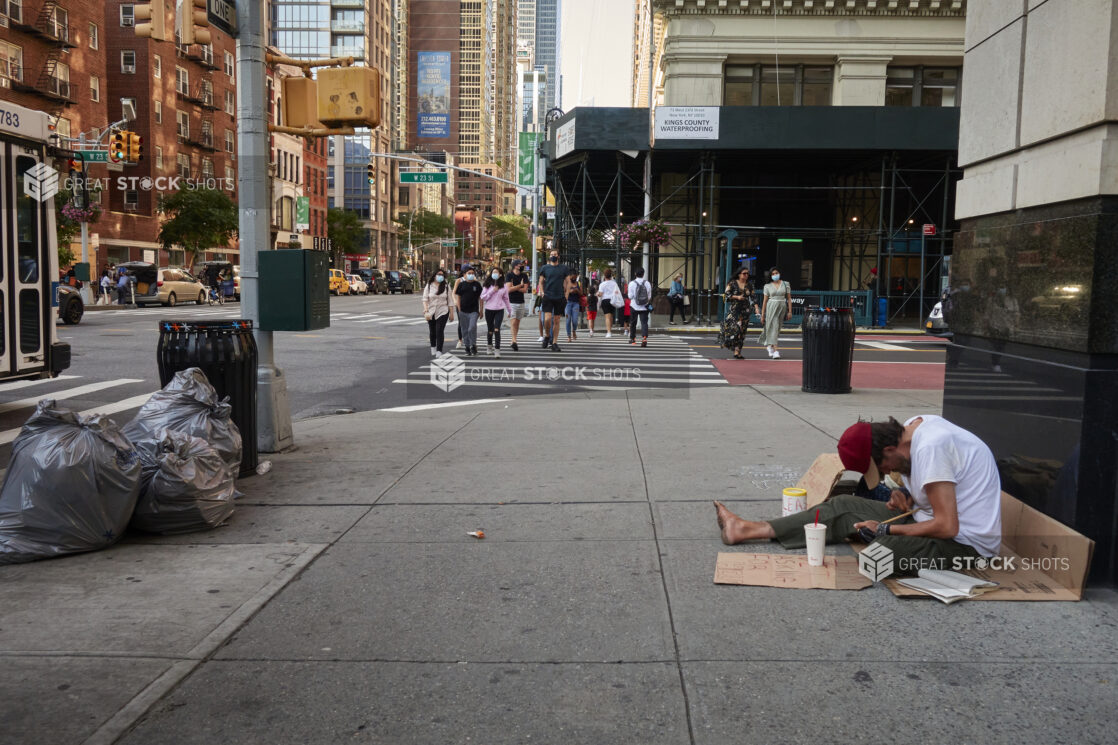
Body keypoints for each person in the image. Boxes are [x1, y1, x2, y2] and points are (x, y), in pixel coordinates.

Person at [713, 416, 1002, 575]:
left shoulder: (932, 447)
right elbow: (937, 491)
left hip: (966, 547)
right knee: (841, 505)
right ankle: (749, 529)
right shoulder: (910, 433)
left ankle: (881, 538)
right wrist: (905, 496)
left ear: (889, 450)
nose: (887, 474)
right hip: (931, 524)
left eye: (883, 468)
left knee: (878, 555)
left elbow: (948, 526)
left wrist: (887, 528)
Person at [536, 249, 571, 352]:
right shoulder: (545, 268)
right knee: (546, 319)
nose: (553, 256)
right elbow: (541, 282)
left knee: (556, 320)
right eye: (551, 254)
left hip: (560, 297)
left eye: (555, 254)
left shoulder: (564, 268)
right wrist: (541, 291)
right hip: (548, 296)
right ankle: (547, 335)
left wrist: (567, 295)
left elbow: (568, 282)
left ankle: (554, 342)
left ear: (558, 256)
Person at [720, 268, 757, 359]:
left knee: (742, 331)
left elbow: (753, 297)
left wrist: (756, 308)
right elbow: (726, 295)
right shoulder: (732, 283)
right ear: (739, 274)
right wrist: (737, 297)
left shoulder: (749, 285)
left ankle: (737, 351)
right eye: (744, 273)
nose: (746, 275)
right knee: (735, 329)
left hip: (745, 311)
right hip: (734, 310)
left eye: (747, 274)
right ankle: (728, 342)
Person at [759, 266, 791, 358]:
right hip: (771, 307)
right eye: (773, 274)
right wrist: (762, 315)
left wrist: (790, 311)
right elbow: (764, 301)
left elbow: (789, 298)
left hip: (782, 307)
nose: (775, 275)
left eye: (776, 273)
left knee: (776, 329)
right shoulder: (767, 286)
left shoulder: (786, 284)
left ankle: (770, 345)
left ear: (779, 273)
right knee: (774, 326)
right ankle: (776, 351)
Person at [482, 266, 512, 357]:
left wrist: (509, 310)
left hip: (499, 310)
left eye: (496, 273)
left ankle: (497, 349)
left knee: (497, 329)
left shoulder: (504, 286)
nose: (494, 274)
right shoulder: (487, 285)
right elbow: (483, 297)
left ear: (500, 275)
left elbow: (506, 299)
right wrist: (492, 291)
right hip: (489, 310)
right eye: (493, 272)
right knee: (490, 330)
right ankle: (489, 346)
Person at [422, 270, 453, 356]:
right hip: (431, 311)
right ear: (434, 275)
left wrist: (451, 313)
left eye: (442, 275)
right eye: (439, 274)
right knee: (432, 331)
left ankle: (439, 350)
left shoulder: (446, 286)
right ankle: (433, 346)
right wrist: (426, 309)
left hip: (443, 311)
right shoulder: (429, 286)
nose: (441, 276)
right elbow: (425, 299)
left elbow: (450, 301)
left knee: (439, 330)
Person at [454, 267, 483, 356]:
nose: (471, 275)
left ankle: (473, 344)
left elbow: (481, 298)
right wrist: (459, 309)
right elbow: (458, 297)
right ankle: (467, 346)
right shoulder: (461, 284)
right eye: (469, 273)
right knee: (464, 330)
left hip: (474, 311)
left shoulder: (477, 284)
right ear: (464, 274)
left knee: (472, 328)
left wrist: (481, 310)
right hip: (463, 311)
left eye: (472, 273)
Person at [504, 261, 531, 351]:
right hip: (511, 302)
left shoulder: (524, 276)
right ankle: (514, 340)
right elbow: (508, 290)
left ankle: (513, 340)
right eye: (520, 264)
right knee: (513, 322)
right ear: (515, 266)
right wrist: (520, 285)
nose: (522, 265)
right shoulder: (509, 275)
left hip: (521, 302)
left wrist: (514, 287)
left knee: (517, 323)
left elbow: (524, 290)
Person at [627, 268, 652, 347]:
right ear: (643, 274)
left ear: (635, 274)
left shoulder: (631, 283)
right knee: (644, 323)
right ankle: (644, 338)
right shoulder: (647, 283)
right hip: (644, 307)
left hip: (634, 306)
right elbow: (649, 296)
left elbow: (630, 296)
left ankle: (633, 339)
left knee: (633, 323)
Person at [596, 269, 620, 339]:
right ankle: (610, 330)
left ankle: (608, 332)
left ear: (604, 276)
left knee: (607, 317)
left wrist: (597, 294)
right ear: (611, 275)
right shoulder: (614, 283)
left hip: (605, 300)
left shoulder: (602, 284)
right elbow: (617, 292)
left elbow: (600, 294)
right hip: (612, 300)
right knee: (611, 316)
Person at [565, 272, 582, 343]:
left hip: (576, 303)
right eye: (572, 277)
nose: (574, 278)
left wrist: (577, 290)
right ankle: (569, 336)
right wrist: (570, 291)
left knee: (575, 320)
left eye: (575, 277)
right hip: (568, 303)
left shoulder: (579, 283)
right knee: (568, 320)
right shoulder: (566, 283)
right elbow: (564, 293)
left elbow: (581, 293)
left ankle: (574, 330)